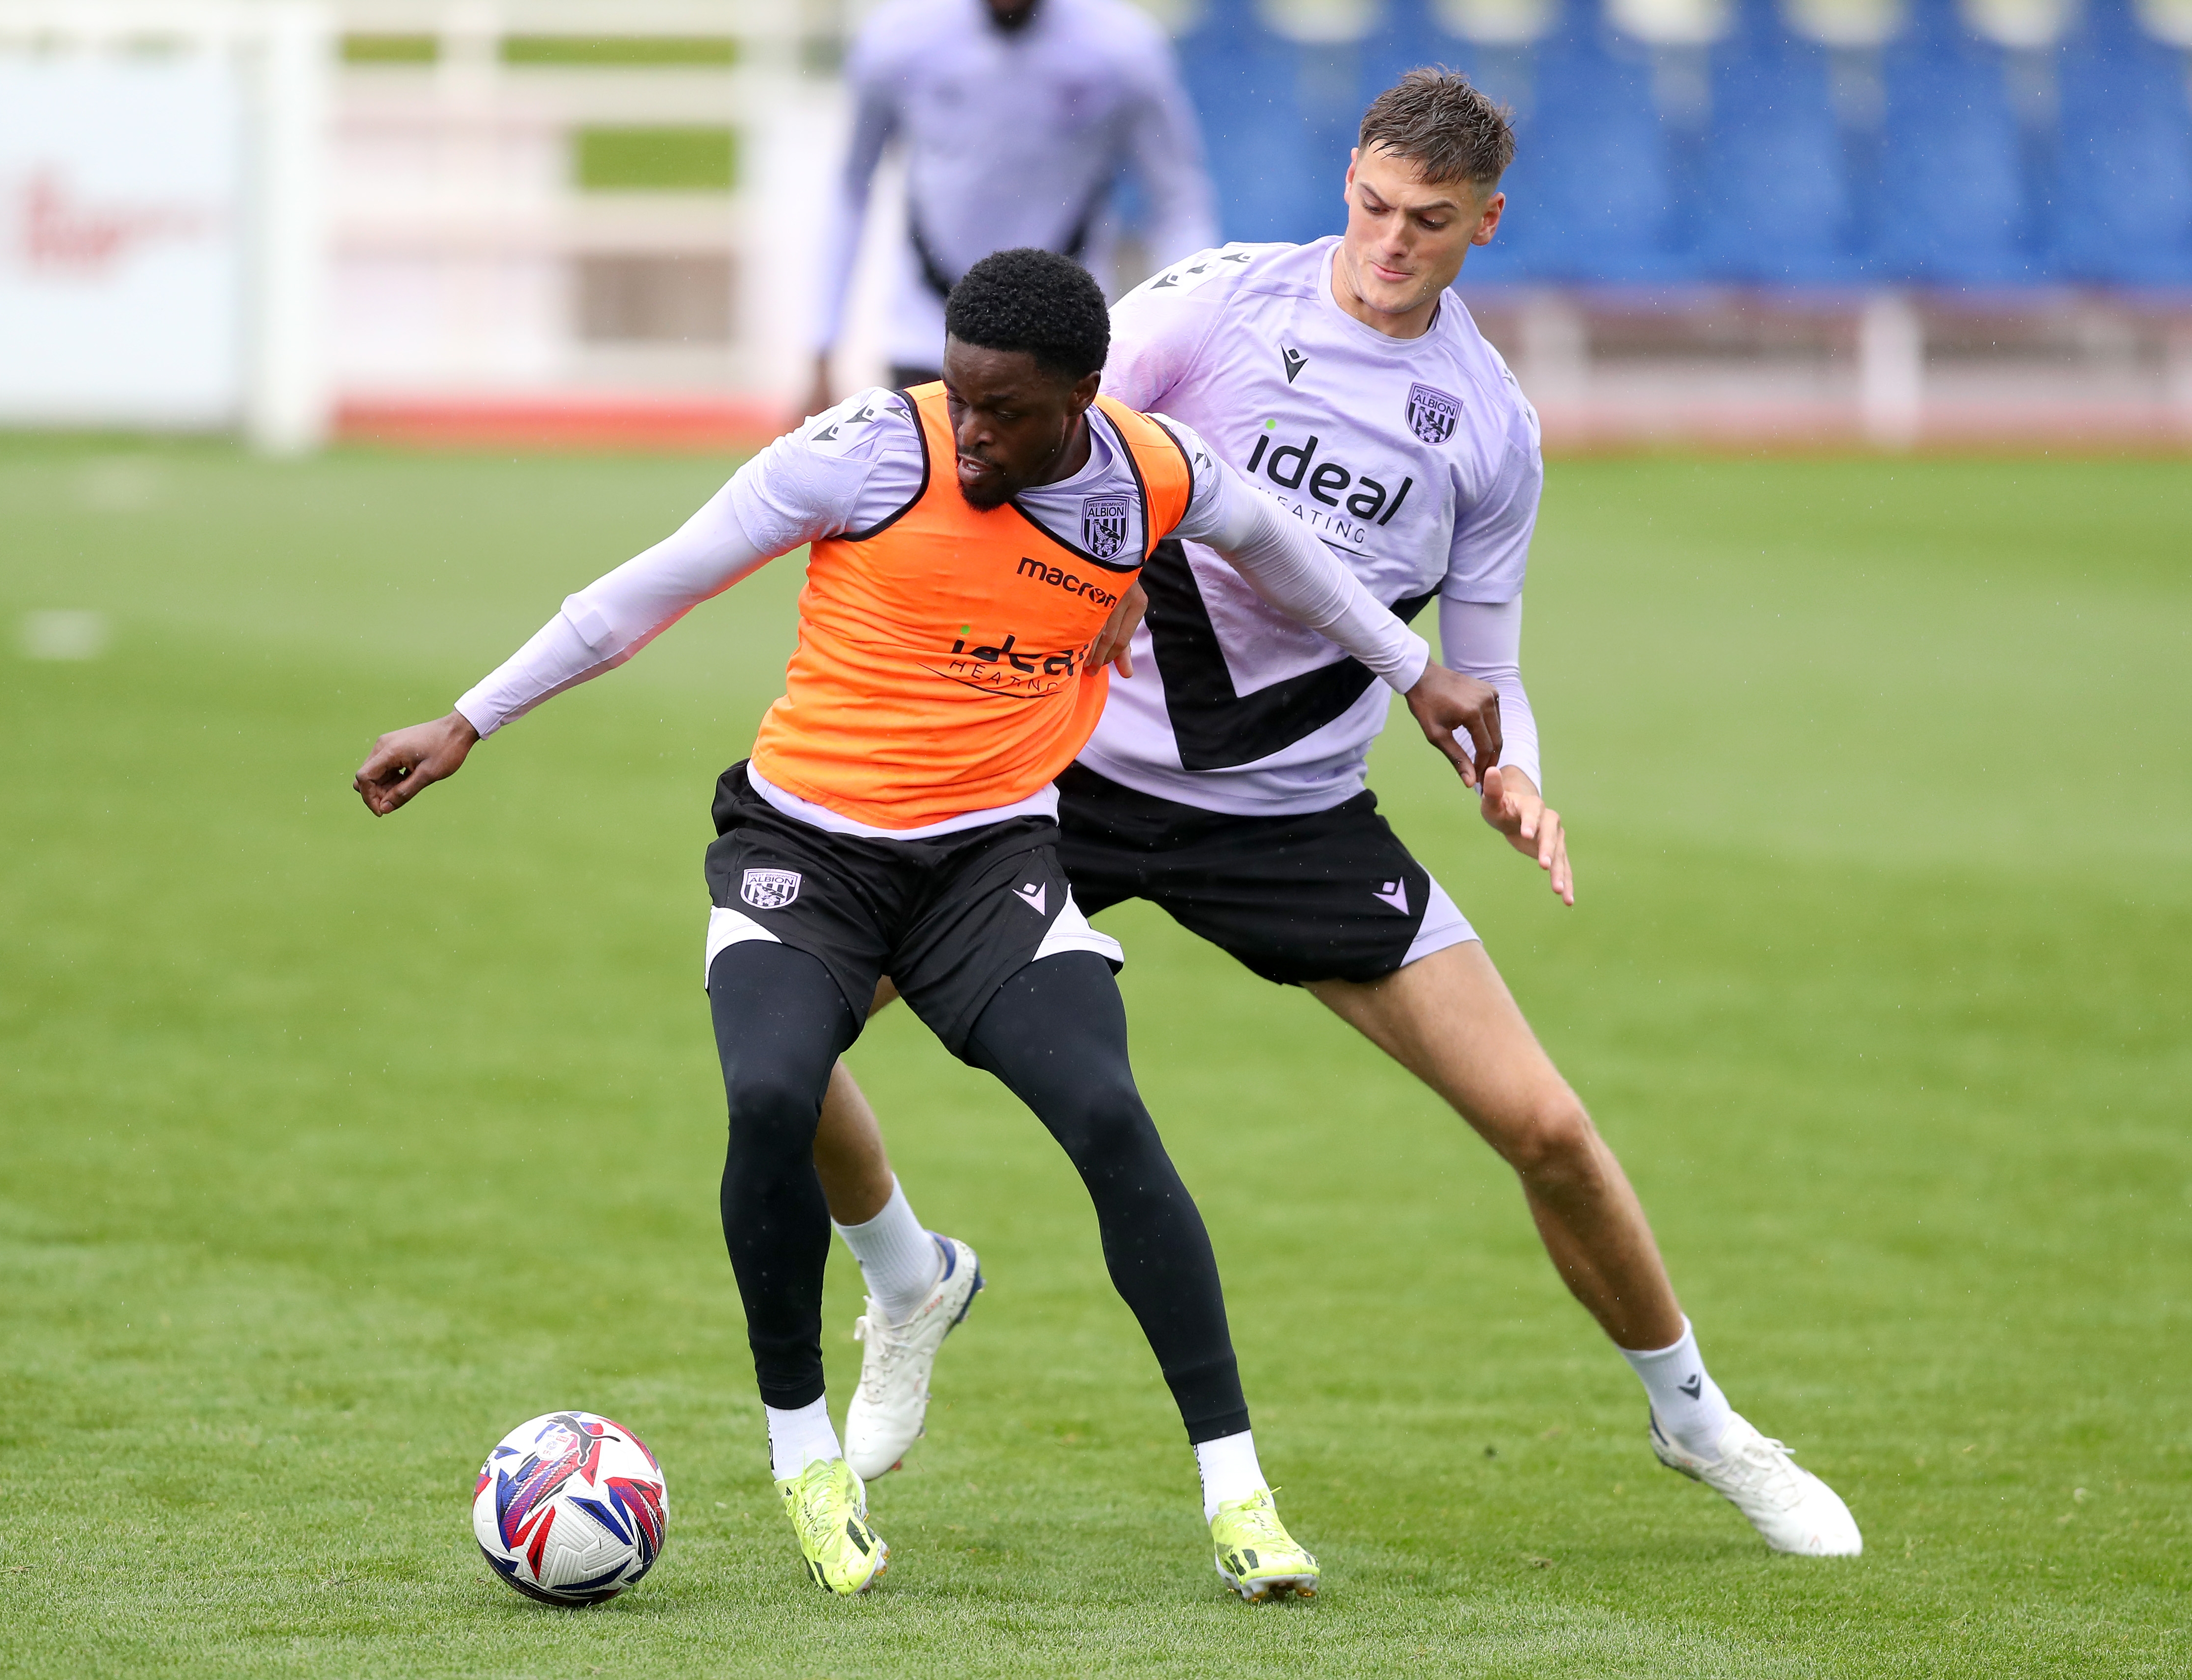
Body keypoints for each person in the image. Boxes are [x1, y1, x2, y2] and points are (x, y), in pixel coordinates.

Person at [811, 70, 1865, 1558]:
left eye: (1425, 223)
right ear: (1348, 185)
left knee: (1545, 1125)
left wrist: (1515, 772)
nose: (1386, 242)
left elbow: (1482, 667)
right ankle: (906, 1272)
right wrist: (1087, 589)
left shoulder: (1488, 431)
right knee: (789, 1033)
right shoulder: (1216, 305)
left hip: (1292, 819)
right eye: (1369, 206)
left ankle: (1697, 1416)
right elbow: (1041, 445)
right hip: (1065, 773)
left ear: (1482, 225)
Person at [353, 248, 1509, 1600]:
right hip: (803, 849)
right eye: (956, 394)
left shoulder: (1152, 473)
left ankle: (1238, 1491)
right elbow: (646, 588)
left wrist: (1416, 669)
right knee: (773, 1091)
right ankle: (806, 1455)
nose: (968, 429)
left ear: (1083, 394)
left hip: (989, 863)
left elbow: (1286, 555)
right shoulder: (857, 455)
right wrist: (467, 717)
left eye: (1003, 409)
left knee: (1107, 1113)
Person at [808, 0, 1217, 413]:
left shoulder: (1123, 49)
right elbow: (852, 188)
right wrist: (821, 347)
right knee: (931, 477)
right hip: (926, 333)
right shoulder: (898, 38)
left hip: (1062, 343)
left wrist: (1190, 340)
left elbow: (1177, 199)